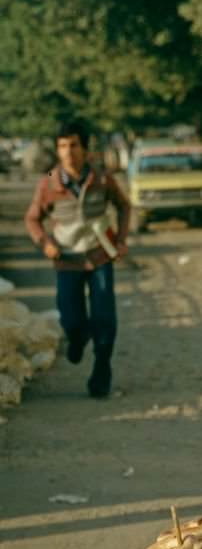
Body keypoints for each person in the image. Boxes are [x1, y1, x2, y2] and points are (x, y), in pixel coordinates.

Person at [24, 118, 130, 399]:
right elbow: (33, 218)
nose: (68, 152)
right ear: (57, 150)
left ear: (84, 148)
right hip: (66, 259)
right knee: (70, 316)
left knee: (105, 316)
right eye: (62, 146)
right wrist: (44, 244)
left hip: (98, 256)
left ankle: (102, 369)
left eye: (73, 145)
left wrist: (120, 240)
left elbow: (124, 206)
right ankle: (77, 338)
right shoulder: (48, 181)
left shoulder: (102, 177)